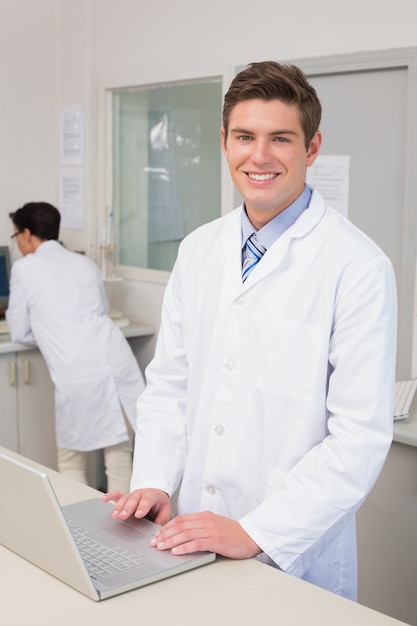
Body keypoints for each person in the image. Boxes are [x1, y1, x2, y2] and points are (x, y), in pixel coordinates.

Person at [103, 61, 397, 599]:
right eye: (245, 136)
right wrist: (152, 481)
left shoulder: (357, 266)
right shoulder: (198, 250)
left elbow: (358, 440)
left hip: (290, 556)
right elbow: (168, 385)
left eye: (280, 138)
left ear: (311, 149)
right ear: (224, 142)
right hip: (186, 531)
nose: (259, 156)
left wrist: (255, 531)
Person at [6, 202, 145, 492]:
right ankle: (120, 532)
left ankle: (78, 534)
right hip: (117, 359)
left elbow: (19, 329)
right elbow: (100, 310)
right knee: (119, 454)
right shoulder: (85, 263)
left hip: (80, 369)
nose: (18, 242)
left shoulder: (24, 268)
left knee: (70, 461)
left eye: (16, 234)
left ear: (28, 234)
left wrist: (51, 331)